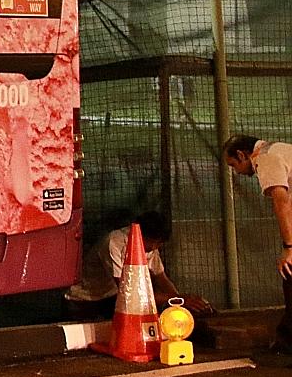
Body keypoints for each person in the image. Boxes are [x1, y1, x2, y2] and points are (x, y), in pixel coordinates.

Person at [65, 212, 214, 328]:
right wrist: (181, 299)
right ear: (142, 235)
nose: (155, 248)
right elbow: (130, 292)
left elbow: (161, 277)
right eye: (154, 243)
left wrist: (181, 304)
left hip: (111, 298)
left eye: (159, 244)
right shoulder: (113, 243)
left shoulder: (149, 247)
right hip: (84, 301)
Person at [223, 134, 292, 357]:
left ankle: (286, 346)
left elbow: (282, 202)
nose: (236, 171)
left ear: (242, 155)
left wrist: (289, 248)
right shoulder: (280, 148)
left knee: (290, 273)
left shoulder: (267, 159)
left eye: (234, 165)